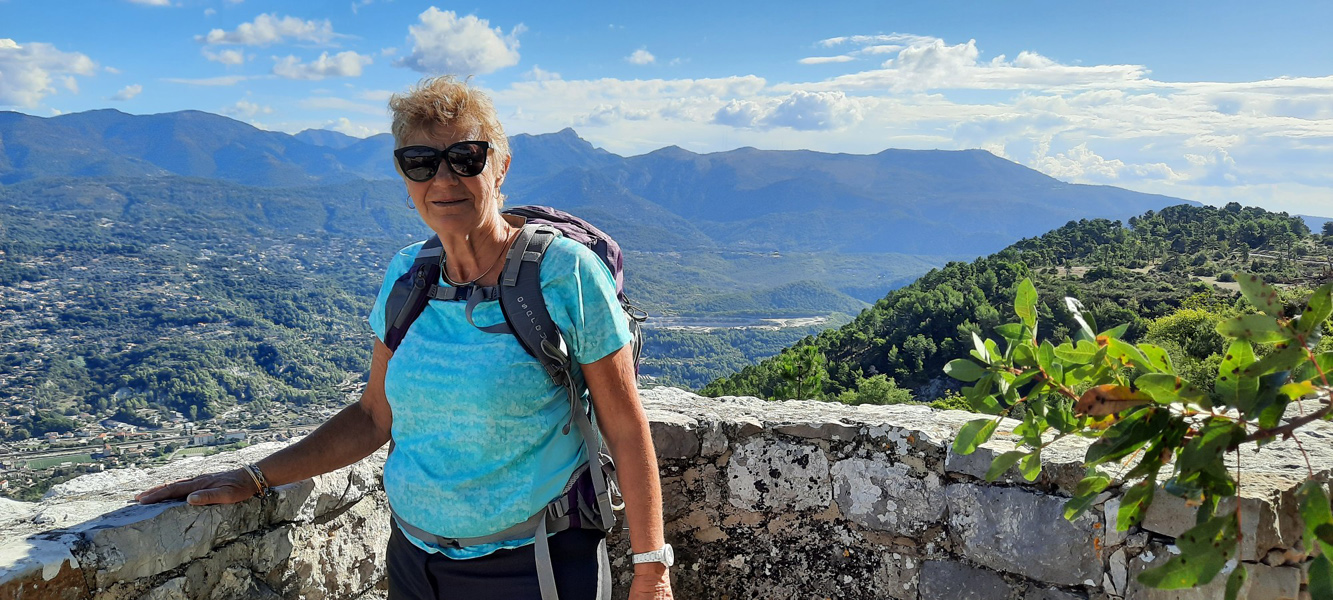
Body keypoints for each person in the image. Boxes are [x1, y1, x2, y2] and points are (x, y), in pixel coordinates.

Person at [136, 75, 673, 600]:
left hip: (537, 564)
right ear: (404, 175)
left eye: (466, 158)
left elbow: (625, 426)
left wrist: (652, 570)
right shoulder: (409, 276)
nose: (444, 179)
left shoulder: (564, 274)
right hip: (414, 561)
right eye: (420, 162)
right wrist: (254, 477)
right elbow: (374, 416)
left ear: (500, 166)